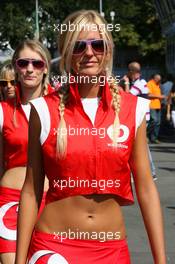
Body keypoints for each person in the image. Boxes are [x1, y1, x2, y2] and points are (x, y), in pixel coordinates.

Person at [15, 10, 166, 264]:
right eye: (78, 46)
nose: (89, 53)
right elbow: (31, 191)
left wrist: (161, 260)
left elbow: (146, 188)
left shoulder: (134, 109)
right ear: (65, 51)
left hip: (111, 252)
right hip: (53, 249)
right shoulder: (43, 110)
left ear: (107, 50)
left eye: (97, 44)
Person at [0, 39, 53, 264]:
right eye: (23, 63)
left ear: (46, 68)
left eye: (37, 63)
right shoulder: (3, 111)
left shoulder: (62, 107)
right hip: (11, 203)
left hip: (52, 203)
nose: (30, 69)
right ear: (16, 66)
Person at [121, 62, 157, 180]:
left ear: (132, 72)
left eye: (128, 72)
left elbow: (127, 96)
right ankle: (149, 172)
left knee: (141, 145)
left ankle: (151, 172)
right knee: (140, 144)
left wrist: (125, 83)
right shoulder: (139, 82)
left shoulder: (140, 83)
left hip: (141, 118)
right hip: (141, 117)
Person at [147, 74, 166, 143]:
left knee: (158, 123)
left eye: (160, 79)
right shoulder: (150, 83)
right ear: (154, 78)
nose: (159, 80)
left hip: (158, 106)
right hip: (152, 106)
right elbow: (148, 94)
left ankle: (154, 138)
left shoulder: (158, 85)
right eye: (158, 79)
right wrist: (160, 96)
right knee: (154, 121)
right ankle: (146, 135)